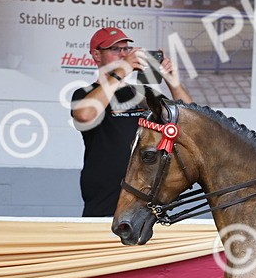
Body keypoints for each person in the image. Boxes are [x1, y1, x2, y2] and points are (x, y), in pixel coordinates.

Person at [70, 26, 192, 217]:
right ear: (96, 54)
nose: (123, 54)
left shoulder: (143, 93)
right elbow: (85, 114)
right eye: (115, 49)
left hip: (145, 192)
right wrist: (124, 68)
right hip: (106, 194)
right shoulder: (84, 93)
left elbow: (191, 120)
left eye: (126, 49)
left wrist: (173, 81)